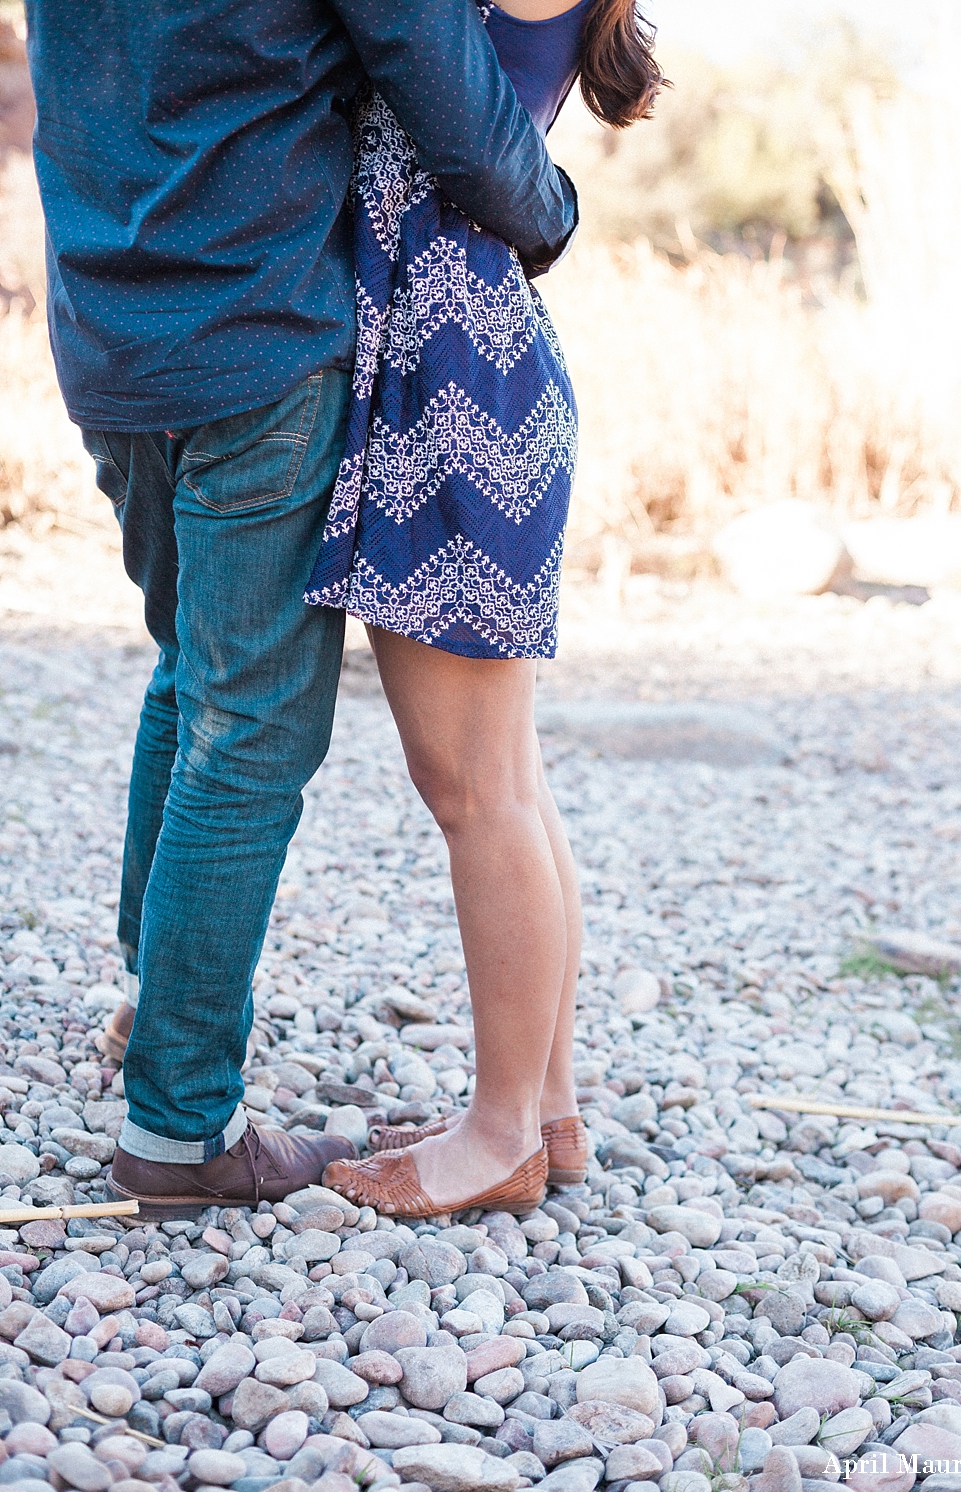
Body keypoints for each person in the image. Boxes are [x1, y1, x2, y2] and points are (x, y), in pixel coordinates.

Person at [24, 0, 578, 1218]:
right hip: (259, 338)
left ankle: (155, 1001)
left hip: (106, 339)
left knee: (196, 672)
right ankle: (179, 1125)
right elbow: (468, 122)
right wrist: (555, 216)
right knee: (254, 725)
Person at [315, 0, 664, 1216]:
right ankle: (546, 1108)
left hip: (451, 373)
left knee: (472, 789)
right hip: (461, 356)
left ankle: (501, 1130)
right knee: (504, 779)